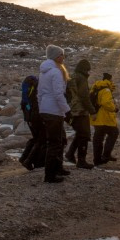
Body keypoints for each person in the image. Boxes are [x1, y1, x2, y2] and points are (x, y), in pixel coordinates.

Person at [37, 45, 73, 183]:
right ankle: (50, 175)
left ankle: (58, 168)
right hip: (54, 111)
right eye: (61, 55)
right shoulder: (56, 72)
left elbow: (39, 93)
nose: (63, 57)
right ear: (56, 57)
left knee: (58, 139)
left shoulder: (44, 72)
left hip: (47, 109)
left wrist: (41, 108)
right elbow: (58, 94)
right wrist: (67, 111)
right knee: (55, 143)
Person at [64, 58, 96, 169]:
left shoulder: (72, 76)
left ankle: (70, 154)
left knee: (80, 133)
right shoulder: (81, 78)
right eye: (88, 70)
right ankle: (81, 161)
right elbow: (84, 97)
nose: (88, 72)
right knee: (85, 135)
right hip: (80, 111)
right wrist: (92, 111)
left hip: (71, 110)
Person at [90, 73, 119, 165]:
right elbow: (106, 103)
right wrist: (114, 108)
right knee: (114, 133)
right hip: (105, 118)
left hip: (97, 117)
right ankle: (106, 155)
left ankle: (97, 159)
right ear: (109, 80)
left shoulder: (95, 88)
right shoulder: (106, 90)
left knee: (98, 138)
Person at [19, 75, 45, 170]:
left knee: (36, 138)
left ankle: (24, 158)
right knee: (41, 139)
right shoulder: (37, 90)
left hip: (29, 117)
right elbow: (37, 106)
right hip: (36, 117)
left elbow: (25, 105)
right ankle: (29, 161)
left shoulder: (28, 92)